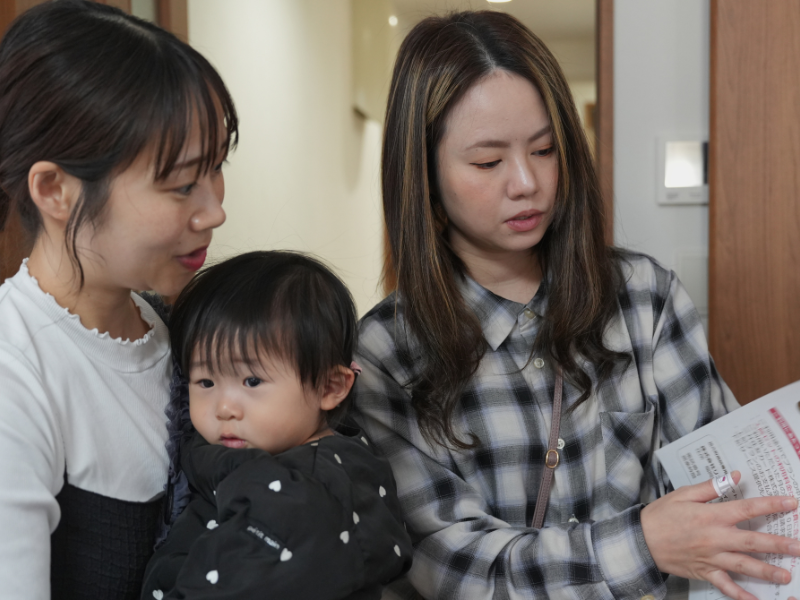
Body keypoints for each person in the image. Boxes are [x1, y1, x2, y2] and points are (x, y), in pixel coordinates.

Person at [352, 10, 800, 600]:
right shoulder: (383, 355)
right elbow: (454, 569)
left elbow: (731, 490)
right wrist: (645, 545)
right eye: (488, 162)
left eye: (544, 150)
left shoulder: (643, 298)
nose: (526, 182)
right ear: (423, 177)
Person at [0, 1, 238, 598]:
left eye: (216, 169)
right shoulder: (15, 370)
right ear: (55, 189)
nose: (214, 211)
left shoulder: (185, 330)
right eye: (181, 184)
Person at [140, 251, 412, 599]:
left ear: (330, 387)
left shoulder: (305, 492)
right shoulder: (270, 460)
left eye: (252, 382)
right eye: (205, 382)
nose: (224, 408)